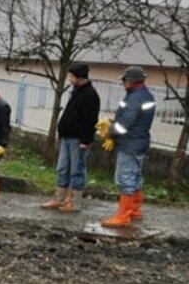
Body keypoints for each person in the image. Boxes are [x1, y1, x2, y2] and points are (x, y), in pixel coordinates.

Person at [100, 66, 156, 228]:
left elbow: (126, 123)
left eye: (124, 80)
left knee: (125, 178)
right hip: (140, 142)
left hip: (129, 143)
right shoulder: (147, 96)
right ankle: (134, 210)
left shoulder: (133, 98)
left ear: (131, 81)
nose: (123, 83)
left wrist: (110, 131)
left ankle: (123, 216)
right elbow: (137, 120)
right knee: (136, 176)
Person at [41, 64, 100, 213]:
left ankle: (74, 201)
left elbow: (90, 120)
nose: (69, 79)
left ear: (79, 77)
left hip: (78, 139)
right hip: (67, 137)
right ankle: (60, 199)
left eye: (71, 76)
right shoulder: (76, 92)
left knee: (76, 170)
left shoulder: (90, 95)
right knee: (62, 168)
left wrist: (85, 140)